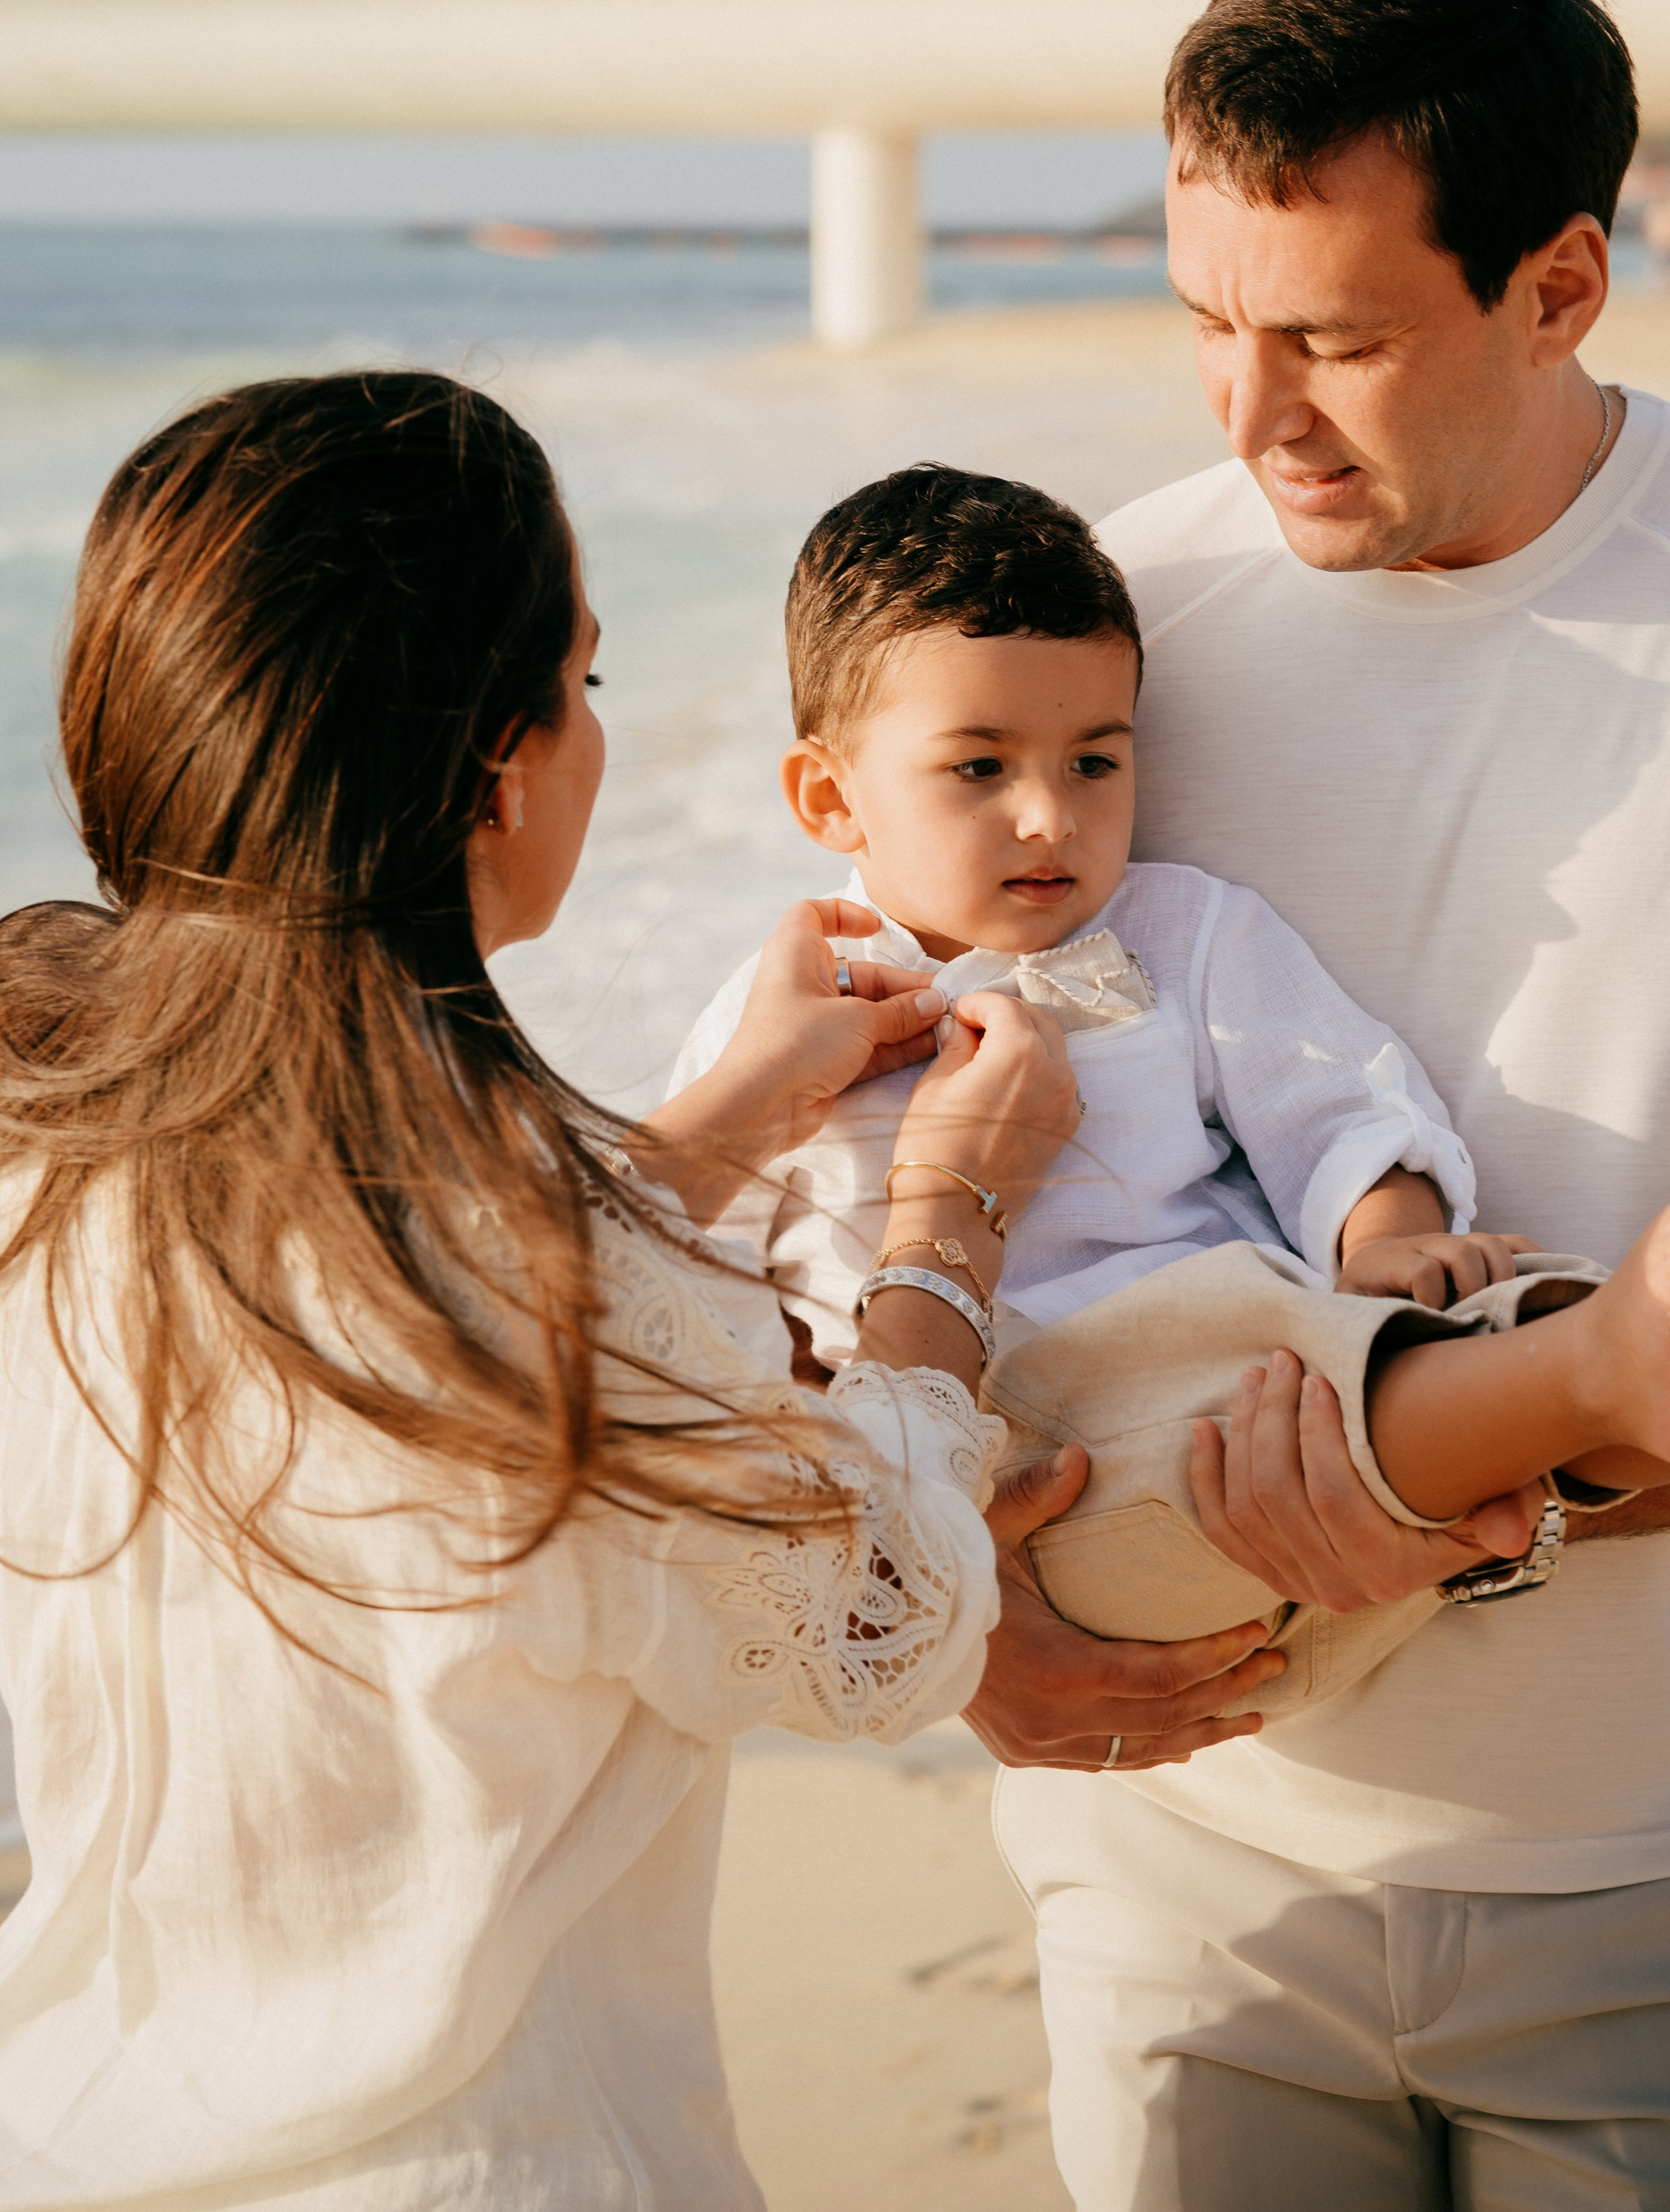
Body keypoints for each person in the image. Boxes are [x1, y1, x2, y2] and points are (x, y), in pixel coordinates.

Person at [968, 0, 1670, 2208]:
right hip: (1180, 1851)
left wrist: (1442, 1517)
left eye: (1339, 341)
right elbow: (899, 1175)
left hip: (1662, 1871)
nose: (1251, 413)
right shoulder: (1105, 633)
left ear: (1560, 281)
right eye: (1207, 319)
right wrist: (964, 1627)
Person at [0, 369, 1123, 2211]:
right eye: (585, 681)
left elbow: (430, 1329)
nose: (592, 729)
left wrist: (732, 1112)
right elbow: (878, 1625)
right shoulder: (548, 1285)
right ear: (500, 767)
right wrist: (949, 1217)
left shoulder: (54, 1146)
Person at [673, 464, 1670, 1706]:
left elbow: (1339, 1099)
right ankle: (1627, 1367)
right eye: (981, 769)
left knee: (1408, 1345)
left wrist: (1391, 1240)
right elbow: (692, 1293)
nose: (1049, 817)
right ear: (830, 796)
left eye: (1094, 762)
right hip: (1027, 1479)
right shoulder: (785, 1018)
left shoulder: (1183, 931)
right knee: (1324, 1418)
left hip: (1248, 1394)